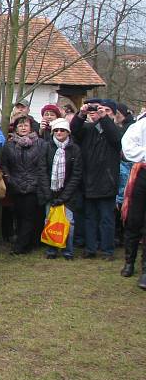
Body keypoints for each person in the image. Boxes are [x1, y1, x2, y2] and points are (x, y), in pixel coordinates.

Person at [71, 99, 122, 260]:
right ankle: (90, 248)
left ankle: (107, 250)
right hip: (89, 181)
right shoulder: (87, 129)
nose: (95, 113)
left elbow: (116, 140)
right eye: (92, 110)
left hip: (107, 181)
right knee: (90, 217)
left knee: (106, 219)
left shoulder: (112, 129)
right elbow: (74, 130)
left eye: (102, 110)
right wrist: (80, 115)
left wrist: (103, 118)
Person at [0, 115, 49, 254]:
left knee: (29, 216)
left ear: (31, 127)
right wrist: (9, 178)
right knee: (19, 215)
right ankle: (25, 243)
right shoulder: (9, 145)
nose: (23, 128)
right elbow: (5, 164)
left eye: (25, 125)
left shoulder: (40, 144)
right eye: (20, 125)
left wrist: (37, 181)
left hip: (34, 185)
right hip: (15, 185)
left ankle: (20, 246)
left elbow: (43, 165)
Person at [44, 118, 83, 260]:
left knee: (69, 223)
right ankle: (51, 250)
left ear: (68, 132)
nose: (59, 132)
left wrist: (64, 197)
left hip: (68, 193)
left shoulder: (75, 149)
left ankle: (68, 251)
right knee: (49, 221)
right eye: (56, 130)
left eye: (62, 130)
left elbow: (76, 175)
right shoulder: (46, 147)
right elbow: (42, 170)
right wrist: (48, 193)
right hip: (50, 191)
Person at [120, 112, 146, 289]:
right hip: (142, 174)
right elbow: (129, 149)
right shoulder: (140, 125)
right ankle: (129, 261)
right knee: (134, 220)